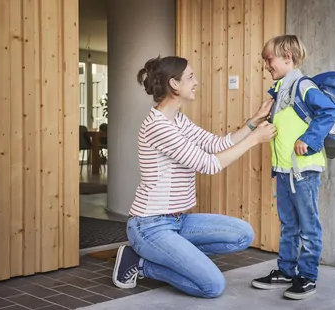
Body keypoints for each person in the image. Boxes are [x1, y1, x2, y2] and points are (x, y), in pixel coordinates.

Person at [111, 55, 277, 298]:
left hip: (178, 222)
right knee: (211, 286)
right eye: (190, 77)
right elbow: (208, 164)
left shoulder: (177, 119)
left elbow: (215, 144)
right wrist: (254, 140)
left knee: (243, 234)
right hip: (150, 226)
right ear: (174, 84)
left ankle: (176, 255)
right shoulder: (158, 126)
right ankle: (140, 263)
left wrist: (253, 122)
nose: (196, 81)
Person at [250, 35, 335, 300]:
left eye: (269, 59)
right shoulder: (280, 89)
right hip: (285, 170)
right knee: (289, 224)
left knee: (308, 225)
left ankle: (308, 276)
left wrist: (308, 140)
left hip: (304, 169)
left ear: (287, 56)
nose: (266, 64)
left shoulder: (302, 86)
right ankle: (286, 271)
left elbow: (329, 111)